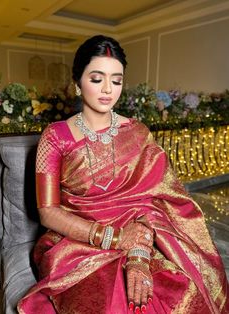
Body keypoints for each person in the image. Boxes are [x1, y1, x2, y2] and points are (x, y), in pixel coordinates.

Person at [18, 35, 229, 314]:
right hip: (76, 245)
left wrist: (138, 255)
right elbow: (48, 212)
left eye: (116, 80)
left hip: (139, 237)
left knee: (182, 292)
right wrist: (115, 239)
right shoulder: (55, 137)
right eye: (97, 79)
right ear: (77, 83)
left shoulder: (138, 133)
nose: (108, 89)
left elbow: (155, 203)